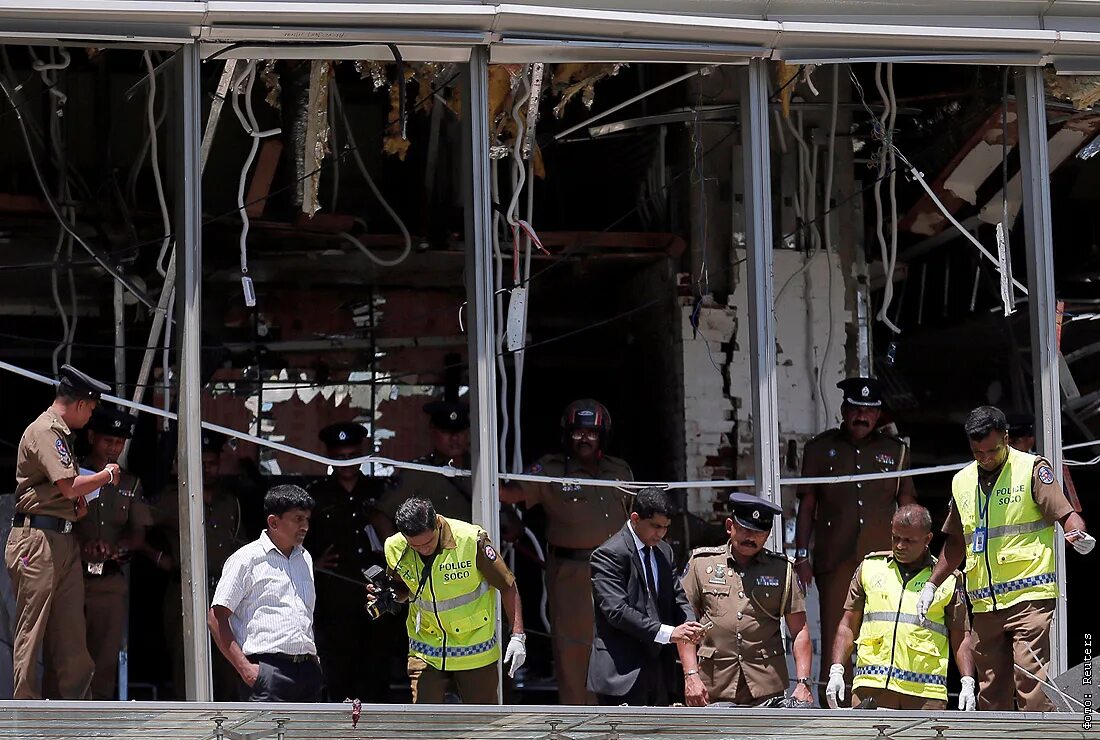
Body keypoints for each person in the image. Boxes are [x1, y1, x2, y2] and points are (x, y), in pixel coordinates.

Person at [921, 406, 1094, 711]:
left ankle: (1041, 732)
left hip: (1029, 597)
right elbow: (957, 542)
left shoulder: (1031, 469)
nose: (986, 458)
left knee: (1030, 680)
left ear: (1005, 437)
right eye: (978, 453)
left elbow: (1066, 514)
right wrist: (932, 584)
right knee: (991, 692)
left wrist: (1076, 534)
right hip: (985, 605)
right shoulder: (962, 481)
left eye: (992, 450)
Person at [500, 398, 633, 705]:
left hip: (619, 572)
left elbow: (636, 514)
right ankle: (579, 720)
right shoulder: (549, 470)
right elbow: (506, 494)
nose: (584, 438)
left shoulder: (619, 470)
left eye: (592, 433)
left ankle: (619, 717)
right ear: (566, 434)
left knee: (620, 643)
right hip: (573, 575)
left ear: (603, 436)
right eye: (578, 432)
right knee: (574, 649)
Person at [794, 376, 917, 705]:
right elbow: (807, 505)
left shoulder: (896, 450)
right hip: (836, 559)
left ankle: (879, 704)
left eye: (869, 410)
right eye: (856, 409)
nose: (862, 416)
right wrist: (801, 555)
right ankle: (834, 709)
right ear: (844, 410)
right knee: (836, 635)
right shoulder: (819, 449)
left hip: (885, 562)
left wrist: (917, 555)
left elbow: (908, 505)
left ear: (878, 415)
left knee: (883, 633)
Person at [5, 364, 114, 700]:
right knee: (32, 626)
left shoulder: (62, 435)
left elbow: (63, 492)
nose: (90, 416)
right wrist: (106, 476)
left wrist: (77, 506)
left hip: (63, 538)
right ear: (80, 404)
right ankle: (25, 709)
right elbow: (68, 485)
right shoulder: (44, 430)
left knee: (71, 631)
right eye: (91, 408)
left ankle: (76, 708)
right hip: (37, 541)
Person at [376, 497, 526, 704]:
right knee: (426, 719)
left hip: (475, 650)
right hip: (426, 650)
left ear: (437, 523)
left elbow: (507, 585)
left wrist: (518, 636)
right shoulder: (395, 547)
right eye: (415, 546)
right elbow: (404, 588)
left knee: (481, 719)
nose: (423, 549)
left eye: (428, 542)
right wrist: (386, 595)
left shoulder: (471, 540)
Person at [826, 504, 975, 711]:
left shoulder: (948, 580)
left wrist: (967, 681)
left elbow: (961, 637)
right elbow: (848, 625)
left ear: (928, 539)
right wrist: (836, 670)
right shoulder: (870, 568)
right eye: (895, 537)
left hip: (925, 694)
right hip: (871, 689)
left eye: (908, 540)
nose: (900, 546)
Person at [678, 492, 813, 707]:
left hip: (766, 688)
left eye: (759, 532)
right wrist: (691, 675)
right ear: (729, 526)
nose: (751, 537)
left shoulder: (782, 570)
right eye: (745, 529)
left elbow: (799, 630)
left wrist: (803, 682)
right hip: (713, 686)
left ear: (768, 534)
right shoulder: (702, 564)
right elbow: (685, 624)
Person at [587, 487, 703, 706]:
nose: (661, 534)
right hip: (622, 672)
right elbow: (617, 611)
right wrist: (669, 633)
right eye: (656, 526)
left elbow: (677, 597)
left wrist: (689, 625)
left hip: (659, 670)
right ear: (635, 519)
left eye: (666, 527)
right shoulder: (609, 554)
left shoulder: (664, 552)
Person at [208, 484, 322, 702]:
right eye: (298, 519)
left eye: (307, 519)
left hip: (307, 670)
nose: (305, 526)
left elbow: (304, 612)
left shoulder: (305, 558)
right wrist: (246, 669)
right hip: (267, 670)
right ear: (274, 522)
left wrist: (314, 661)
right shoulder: (246, 559)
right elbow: (216, 617)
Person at [73, 405, 155, 700]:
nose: (113, 448)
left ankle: (97, 720)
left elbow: (139, 533)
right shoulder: (73, 475)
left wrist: (119, 547)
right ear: (91, 437)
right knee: (68, 656)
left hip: (108, 581)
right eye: (108, 440)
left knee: (105, 660)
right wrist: (81, 545)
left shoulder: (130, 483)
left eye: (119, 442)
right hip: (72, 578)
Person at [306, 421, 391, 702]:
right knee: (337, 673)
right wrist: (313, 562)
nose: (347, 463)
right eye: (340, 457)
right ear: (330, 457)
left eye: (352, 456)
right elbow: (298, 539)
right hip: (335, 598)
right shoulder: (316, 494)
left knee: (376, 671)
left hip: (376, 594)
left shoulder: (380, 491)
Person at [154, 429, 242, 699]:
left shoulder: (231, 502)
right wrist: (158, 557)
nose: (206, 469)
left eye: (211, 463)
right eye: (200, 463)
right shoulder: (171, 498)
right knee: (186, 664)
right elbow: (139, 528)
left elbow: (242, 548)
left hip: (224, 593)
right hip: (184, 591)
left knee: (228, 667)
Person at [373, 399, 473, 539]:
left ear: (467, 432)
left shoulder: (481, 469)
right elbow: (380, 515)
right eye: (446, 431)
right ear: (433, 431)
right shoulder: (419, 471)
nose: (454, 438)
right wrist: (399, 550)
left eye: (459, 431)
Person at [1007, 413, 1083, 513]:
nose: (1010, 447)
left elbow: (1061, 509)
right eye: (1008, 442)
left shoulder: (1037, 467)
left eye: (1015, 442)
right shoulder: (1000, 466)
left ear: (1030, 440)